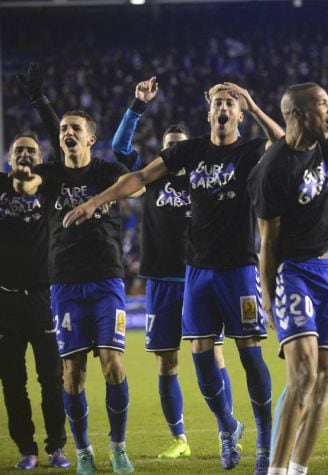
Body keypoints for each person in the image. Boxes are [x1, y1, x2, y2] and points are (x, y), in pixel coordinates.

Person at [62, 80, 284, 473]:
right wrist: (96, 200)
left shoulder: (250, 151)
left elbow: (284, 145)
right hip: (196, 271)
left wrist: (252, 99)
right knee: (200, 361)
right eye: (217, 102)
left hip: (239, 268)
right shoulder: (191, 151)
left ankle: (265, 444)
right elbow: (140, 178)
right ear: (209, 111)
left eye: (230, 103)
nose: (223, 107)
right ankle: (229, 428)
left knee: (249, 356)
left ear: (239, 114)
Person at [249, 13, 328, 475]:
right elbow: (268, 244)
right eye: (322, 105)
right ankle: (276, 471)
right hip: (295, 273)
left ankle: (297, 470)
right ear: (296, 113)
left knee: (326, 379)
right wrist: (269, 299)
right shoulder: (271, 171)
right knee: (300, 376)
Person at [110, 77, 234, 459]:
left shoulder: (204, 173)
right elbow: (118, 148)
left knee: (214, 356)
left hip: (200, 278)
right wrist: (137, 105)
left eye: (179, 148)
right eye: (168, 149)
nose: (174, 153)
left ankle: (227, 430)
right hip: (161, 281)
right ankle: (179, 438)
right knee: (167, 362)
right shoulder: (151, 178)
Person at [13, 110, 136, 474]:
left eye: (75, 128)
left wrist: (98, 200)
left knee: (114, 365)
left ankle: (118, 448)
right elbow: (28, 186)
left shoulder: (105, 171)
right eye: (63, 128)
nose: (68, 132)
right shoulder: (50, 174)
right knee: (72, 373)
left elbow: (139, 185)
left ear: (90, 138)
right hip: (65, 283)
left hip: (107, 279)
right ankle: (83, 452)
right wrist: (21, 181)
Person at [0, 133, 69, 470]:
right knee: (12, 382)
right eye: (18, 150)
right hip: (5, 302)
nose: (25, 154)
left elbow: (63, 144)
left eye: (31, 150)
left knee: (52, 379)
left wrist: (40, 100)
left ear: (41, 157)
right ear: (9, 158)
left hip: (44, 298)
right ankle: (26, 449)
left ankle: (57, 447)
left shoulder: (50, 184)